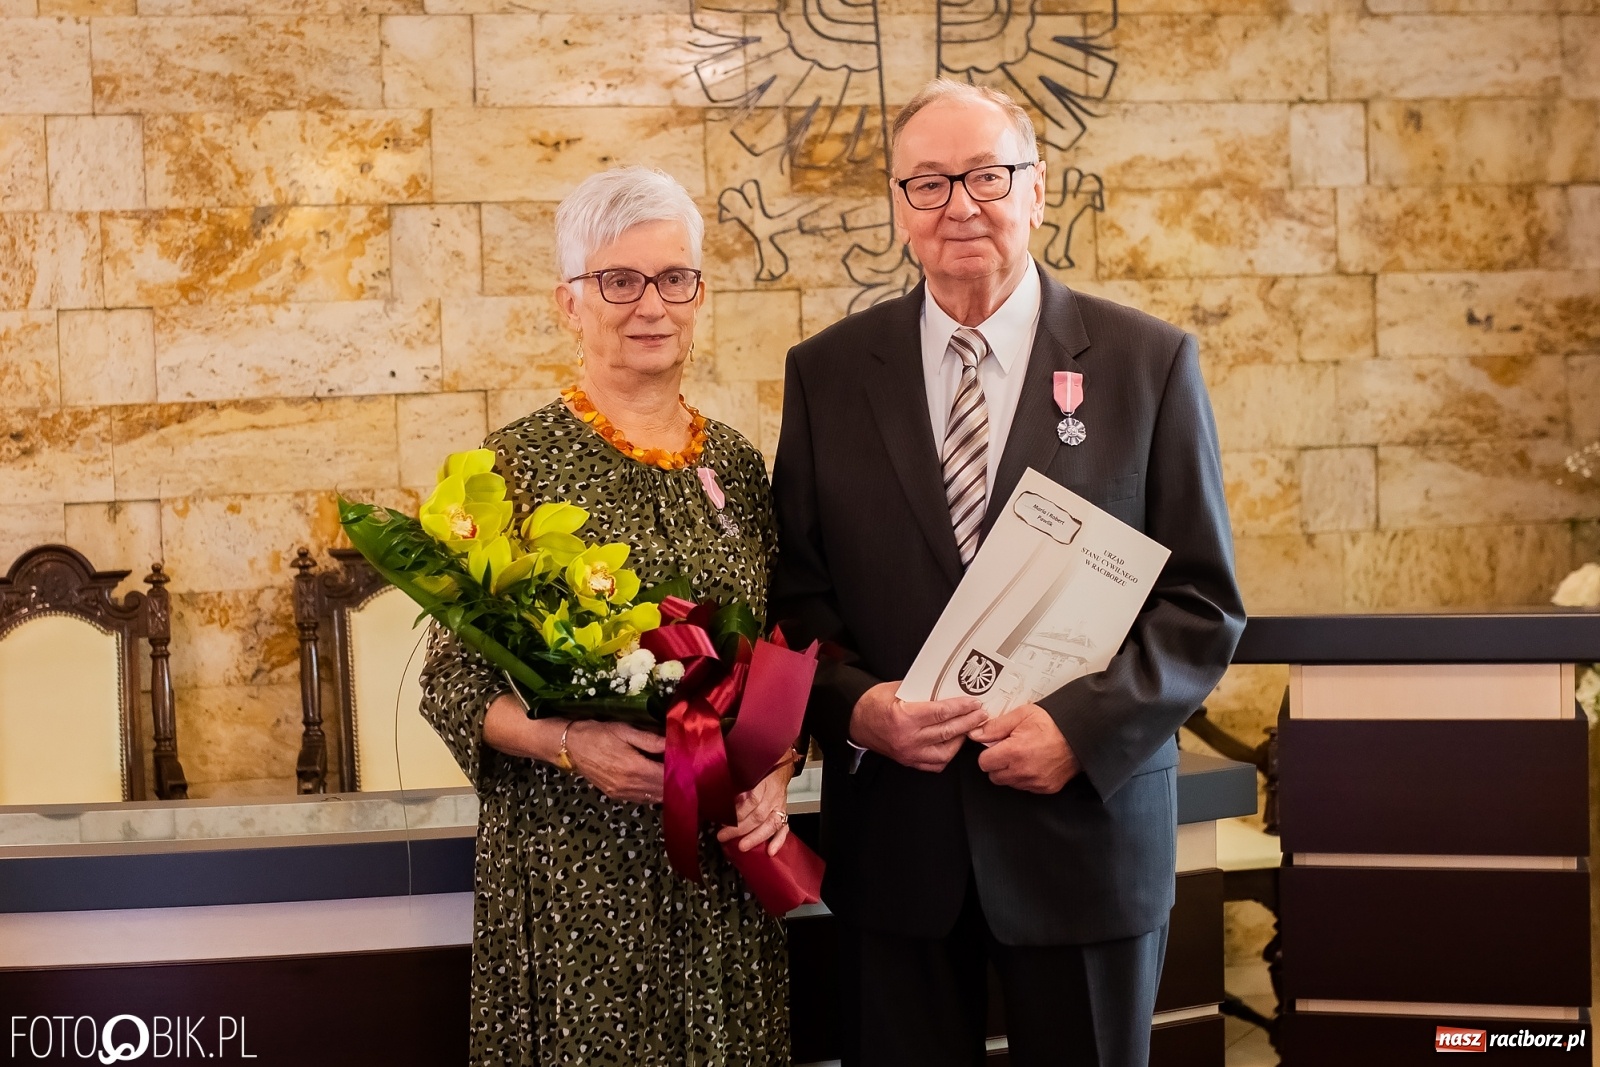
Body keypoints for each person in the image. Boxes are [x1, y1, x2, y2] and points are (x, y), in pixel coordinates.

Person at [770, 80, 1246, 1067]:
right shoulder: (825, 373)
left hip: (1085, 835)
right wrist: (859, 709)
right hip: (898, 845)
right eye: (930, 182)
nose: (960, 205)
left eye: (987, 175)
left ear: (1038, 191)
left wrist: (1079, 727)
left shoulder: (1144, 361)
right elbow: (797, 597)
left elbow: (1201, 602)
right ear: (898, 208)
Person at [419, 166, 795, 1066]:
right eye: (617, 281)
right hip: (576, 874)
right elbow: (450, 678)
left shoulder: (738, 466)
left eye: (674, 278)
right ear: (568, 302)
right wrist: (565, 741)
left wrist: (778, 766)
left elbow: (777, 654)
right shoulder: (511, 465)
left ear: (699, 294)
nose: (650, 304)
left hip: (721, 882)